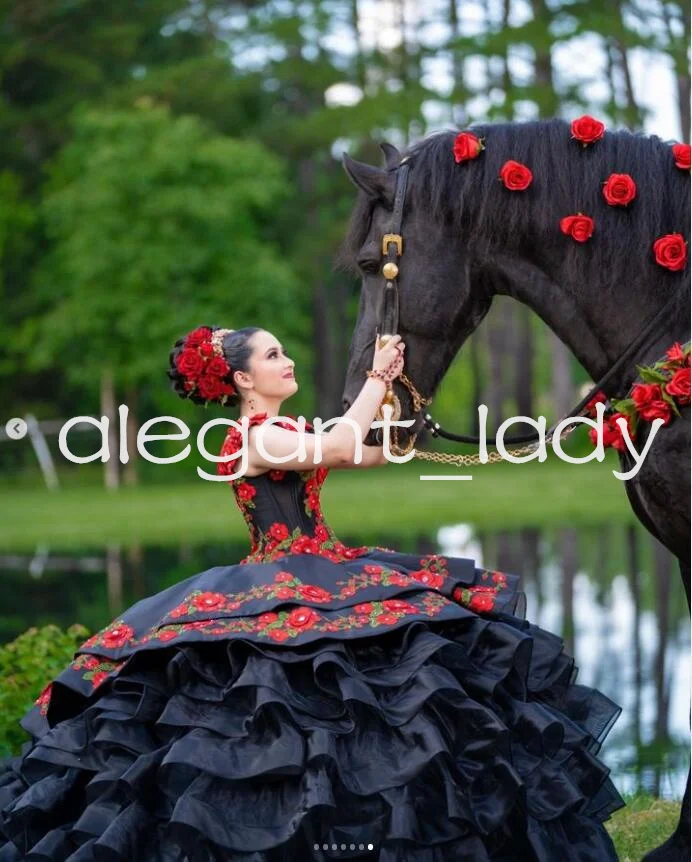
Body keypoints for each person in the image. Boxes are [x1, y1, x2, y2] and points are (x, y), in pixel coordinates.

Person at [0, 325, 624, 861]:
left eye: (283, 352)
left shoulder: (283, 430)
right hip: (281, 574)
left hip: (328, 566)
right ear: (243, 380)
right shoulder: (254, 436)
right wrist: (376, 379)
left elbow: (368, 455)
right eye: (272, 356)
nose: (286, 361)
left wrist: (397, 403)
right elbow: (335, 444)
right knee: (298, 706)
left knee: (406, 680)